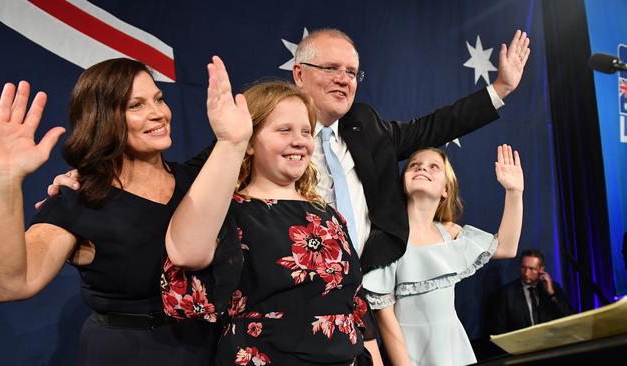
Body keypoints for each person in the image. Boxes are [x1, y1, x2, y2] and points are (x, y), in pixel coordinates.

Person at [45, 28, 531, 275]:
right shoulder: (255, 129)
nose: (345, 80)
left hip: (371, 285)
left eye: (353, 72)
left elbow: (437, 124)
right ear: (299, 73)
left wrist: (500, 89)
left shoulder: (368, 127)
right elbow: (192, 176)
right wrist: (98, 177)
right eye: (332, 68)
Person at [0, 59, 217, 365]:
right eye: (136, 105)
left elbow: (266, 122)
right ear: (103, 118)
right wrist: (1, 180)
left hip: (208, 350)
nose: (158, 113)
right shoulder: (79, 201)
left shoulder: (200, 181)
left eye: (158, 99)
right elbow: (3, 286)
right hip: (128, 355)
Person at [161, 56, 377, 365]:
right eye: (284, 130)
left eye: (305, 131)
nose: (299, 142)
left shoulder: (328, 215)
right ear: (250, 141)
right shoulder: (230, 211)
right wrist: (230, 142)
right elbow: (185, 254)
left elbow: (352, 303)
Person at [362, 145, 524, 366]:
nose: (422, 169)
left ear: (445, 189)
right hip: (409, 356)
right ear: (402, 182)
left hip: (454, 351)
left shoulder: (449, 233)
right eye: (414, 165)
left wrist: (514, 193)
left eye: (433, 166)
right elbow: (385, 317)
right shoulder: (386, 239)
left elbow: (506, 247)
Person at [489, 249, 574, 335]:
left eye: (531, 269)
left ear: (541, 269)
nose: (526, 273)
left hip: (549, 342)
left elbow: (568, 318)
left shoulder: (552, 288)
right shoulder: (507, 294)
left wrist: (552, 293)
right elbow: (499, 329)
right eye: (523, 267)